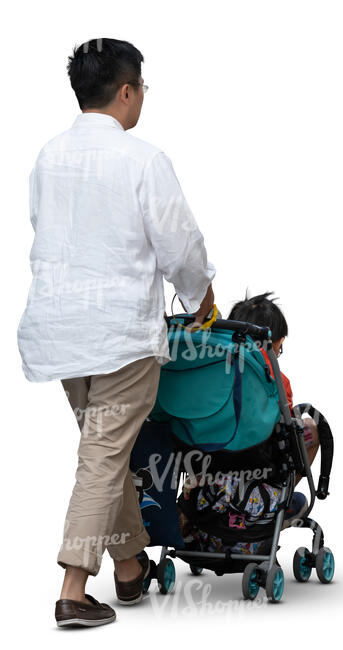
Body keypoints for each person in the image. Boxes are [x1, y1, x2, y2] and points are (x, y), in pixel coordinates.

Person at [16, 38, 215, 627]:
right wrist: (202, 298)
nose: (142, 99)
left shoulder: (48, 156)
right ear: (127, 91)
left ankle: (129, 572)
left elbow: (44, 228)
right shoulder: (143, 159)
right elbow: (179, 245)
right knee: (103, 456)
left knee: (109, 452)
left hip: (60, 332)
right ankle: (74, 588)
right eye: (143, 89)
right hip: (119, 335)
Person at [227, 291, 320, 524]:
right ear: (276, 343)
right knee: (309, 429)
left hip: (210, 478)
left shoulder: (210, 373)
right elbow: (286, 426)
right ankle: (282, 502)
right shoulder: (278, 380)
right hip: (259, 468)